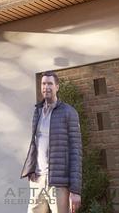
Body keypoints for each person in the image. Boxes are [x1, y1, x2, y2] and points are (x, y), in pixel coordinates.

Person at [21, 71, 82, 213]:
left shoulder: (69, 112)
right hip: (37, 179)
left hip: (58, 183)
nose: (46, 87)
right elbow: (35, 143)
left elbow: (76, 151)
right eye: (43, 84)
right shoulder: (37, 112)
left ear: (57, 87)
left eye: (50, 83)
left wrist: (75, 190)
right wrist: (30, 169)